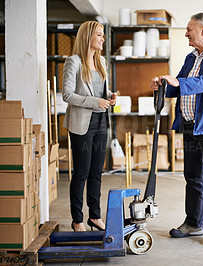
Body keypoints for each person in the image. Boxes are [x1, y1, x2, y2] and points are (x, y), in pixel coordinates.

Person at [151, 12, 203, 246]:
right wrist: (162, 86)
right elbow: (177, 85)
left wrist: (178, 83)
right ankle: (194, 223)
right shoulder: (191, 57)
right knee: (193, 177)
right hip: (189, 125)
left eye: (189, 29)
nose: (186, 33)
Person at [62, 21, 116, 232]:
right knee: (81, 173)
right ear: (88, 37)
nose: (103, 38)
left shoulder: (101, 61)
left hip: (101, 122)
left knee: (96, 173)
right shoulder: (73, 62)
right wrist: (96, 102)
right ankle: (77, 220)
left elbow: (101, 91)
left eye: (103, 35)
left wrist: (110, 97)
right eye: (99, 35)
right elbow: (67, 95)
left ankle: (95, 216)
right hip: (82, 125)